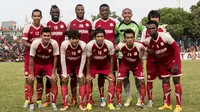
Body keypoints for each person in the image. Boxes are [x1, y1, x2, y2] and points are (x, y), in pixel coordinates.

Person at [143, 20, 182, 112]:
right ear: (147, 30)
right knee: (165, 82)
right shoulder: (148, 41)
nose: (151, 30)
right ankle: (167, 104)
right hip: (163, 64)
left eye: (153, 28)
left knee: (176, 81)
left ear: (157, 28)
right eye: (149, 29)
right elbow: (140, 45)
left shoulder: (165, 37)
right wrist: (147, 49)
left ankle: (179, 106)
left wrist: (176, 64)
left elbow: (176, 48)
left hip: (173, 62)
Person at [114, 8, 144, 107]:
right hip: (123, 56)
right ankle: (128, 97)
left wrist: (140, 43)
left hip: (135, 55)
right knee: (124, 79)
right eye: (125, 13)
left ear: (132, 14)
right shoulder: (118, 25)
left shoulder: (137, 24)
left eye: (129, 13)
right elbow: (115, 37)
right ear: (122, 14)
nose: (127, 15)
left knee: (138, 78)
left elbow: (144, 32)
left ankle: (140, 98)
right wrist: (118, 45)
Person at [27, 27, 59, 112]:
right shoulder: (35, 43)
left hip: (47, 64)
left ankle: (53, 103)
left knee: (54, 80)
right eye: (44, 35)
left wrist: (53, 72)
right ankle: (31, 104)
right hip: (37, 64)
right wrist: (31, 73)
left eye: (48, 35)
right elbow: (31, 58)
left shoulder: (54, 43)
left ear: (50, 36)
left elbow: (56, 57)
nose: (46, 37)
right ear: (41, 35)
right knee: (29, 80)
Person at [92, 4, 118, 107]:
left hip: (111, 53)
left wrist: (114, 47)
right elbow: (94, 37)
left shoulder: (115, 22)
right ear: (100, 11)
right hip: (100, 54)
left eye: (106, 10)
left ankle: (112, 97)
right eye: (102, 10)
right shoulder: (96, 22)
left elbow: (117, 36)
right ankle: (102, 97)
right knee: (101, 75)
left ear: (109, 11)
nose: (104, 12)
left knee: (112, 75)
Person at [67, 4, 92, 106]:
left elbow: (92, 37)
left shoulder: (89, 23)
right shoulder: (71, 23)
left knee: (87, 77)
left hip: (86, 55)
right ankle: (73, 98)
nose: (80, 11)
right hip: (74, 56)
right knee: (73, 78)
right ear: (75, 11)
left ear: (84, 11)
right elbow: (68, 38)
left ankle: (89, 98)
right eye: (78, 10)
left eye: (82, 10)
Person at [85, 28, 115, 110]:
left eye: (102, 36)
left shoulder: (109, 44)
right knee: (88, 80)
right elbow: (88, 60)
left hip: (105, 66)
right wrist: (87, 74)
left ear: (104, 37)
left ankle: (110, 103)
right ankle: (88, 102)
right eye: (98, 36)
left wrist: (111, 72)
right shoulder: (89, 45)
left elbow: (112, 58)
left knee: (112, 80)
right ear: (94, 37)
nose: (100, 38)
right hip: (94, 66)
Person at [141, 10, 166, 107]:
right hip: (151, 59)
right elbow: (143, 43)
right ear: (149, 19)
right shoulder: (145, 30)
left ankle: (165, 100)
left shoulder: (162, 29)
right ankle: (150, 100)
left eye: (156, 17)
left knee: (165, 79)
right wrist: (147, 50)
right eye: (153, 17)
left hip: (162, 59)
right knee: (150, 80)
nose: (155, 19)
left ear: (159, 19)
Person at [44, 5, 67, 107]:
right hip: (50, 56)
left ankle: (63, 99)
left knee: (63, 77)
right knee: (49, 78)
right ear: (50, 13)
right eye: (53, 12)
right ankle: (47, 99)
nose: (55, 14)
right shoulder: (47, 25)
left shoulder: (64, 25)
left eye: (57, 12)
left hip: (62, 56)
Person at [22, 9, 44, 108]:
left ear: (41, 17)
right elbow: (24, 42)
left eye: (38, 16)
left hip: (40, 58)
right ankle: (27, 100)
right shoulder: (27, 27)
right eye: (34, 16)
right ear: (32, 17)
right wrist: (34, 46)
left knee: (39, 79)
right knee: (28, 79)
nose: (36, 17)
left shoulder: (43, 28)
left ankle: (39, 100)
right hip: (29, 57)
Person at [59, 30, 86, 111]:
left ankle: (81, 104)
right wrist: (64, 73)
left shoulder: (83, 45)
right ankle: (65, 104)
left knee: (81, 80)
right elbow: (62, 59)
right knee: (64, 81)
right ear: (69, 39)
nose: (75, 40)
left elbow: (83, 59)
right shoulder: (64, 44)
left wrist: (80, 73)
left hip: (78, 65)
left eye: (77, 39)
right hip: (68, 65)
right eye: (73, 39)